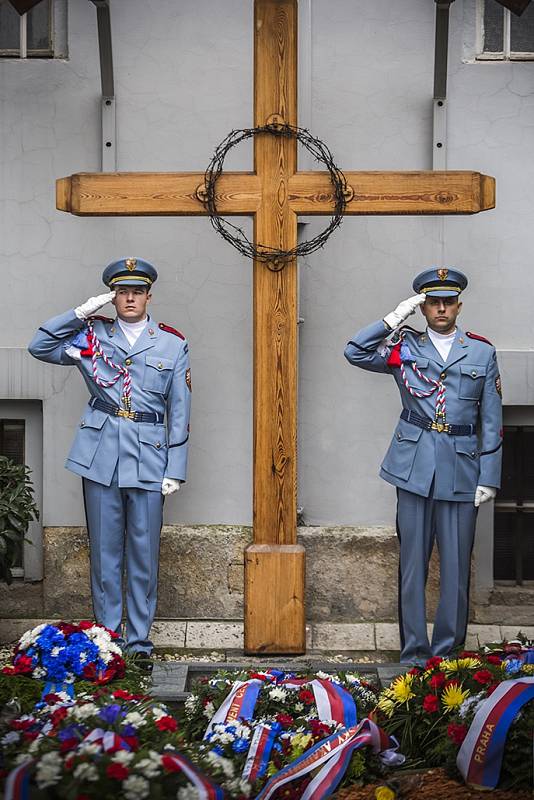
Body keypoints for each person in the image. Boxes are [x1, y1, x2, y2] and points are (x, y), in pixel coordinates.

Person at [28, 258, 191, 665]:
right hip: (100, 455)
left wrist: (175, 468)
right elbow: (40, 346)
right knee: (104, 552)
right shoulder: (91, 335)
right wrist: (79, 313)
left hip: (151, 457)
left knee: (143, 552)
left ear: (149, 296)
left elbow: (181, 409)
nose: (130, 298)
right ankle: (107, 639)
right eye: (122, 292)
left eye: (137, 291)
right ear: (113, 297)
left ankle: (138, 643)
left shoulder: (172, 343)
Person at [344, 268, 502, 666]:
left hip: (462, 469)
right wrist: (393, 319)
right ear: (424, 307)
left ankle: (447, 653)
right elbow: (355, 352)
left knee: (455, 567)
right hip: (413, 466)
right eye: (434, 302)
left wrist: (490, 476)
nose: (442, 308)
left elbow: (492, 420)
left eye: (449, 301)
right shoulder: (406, 347)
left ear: (459, 305)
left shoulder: (481, 351)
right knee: (412, 565)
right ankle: (414, 653)